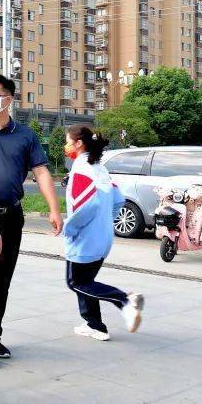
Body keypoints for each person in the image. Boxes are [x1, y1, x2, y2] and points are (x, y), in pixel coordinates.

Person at [0, 75, 64, 364]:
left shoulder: (25, 135)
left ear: (9, 99)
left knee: (2, 279)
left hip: (11, 216)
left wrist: (54, 209)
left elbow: (42, 172)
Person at [62, 125, 145, 341]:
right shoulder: (99, 168)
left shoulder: (81, 170)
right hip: (103, 237)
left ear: (79, 143)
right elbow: (119, 200)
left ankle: (125, 300)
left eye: (68, 141)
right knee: (87, 282)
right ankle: (95, 325)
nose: (66, 145)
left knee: (76, 282)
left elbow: (83, 208)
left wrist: (69, 229)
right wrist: (105, 221)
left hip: (85, 238)